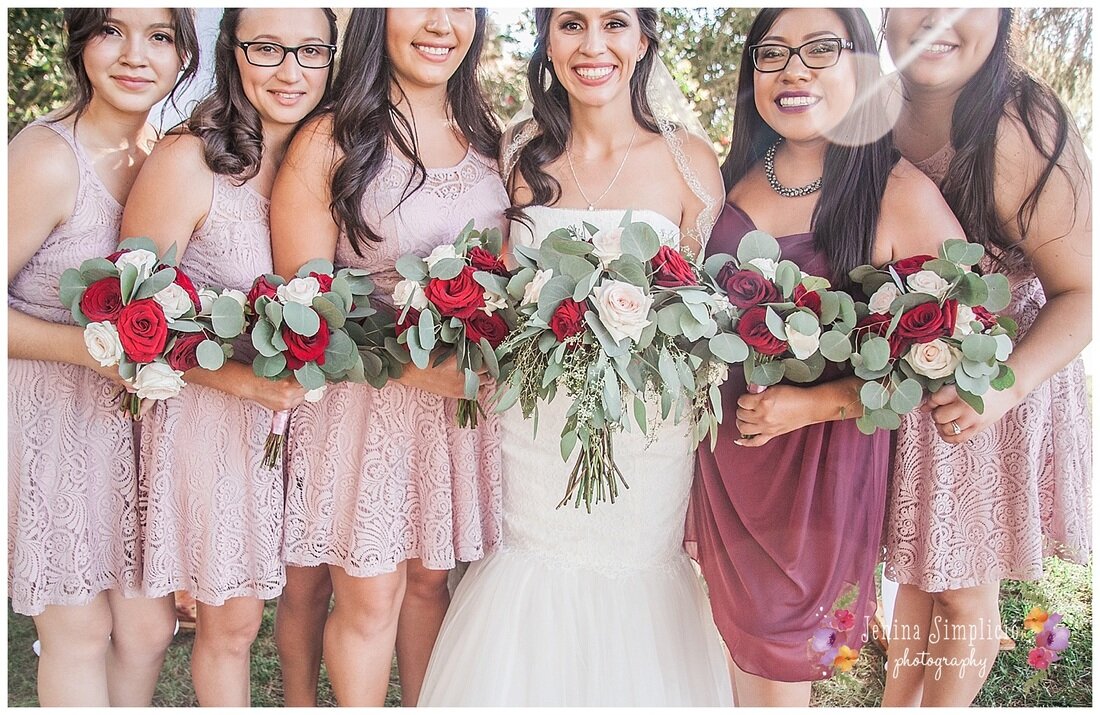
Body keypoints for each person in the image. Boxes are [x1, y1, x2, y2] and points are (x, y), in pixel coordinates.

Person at [418, 8, 732, 706]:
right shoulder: (517, 153)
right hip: (533, 422)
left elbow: (701, 311)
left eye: (615, 23)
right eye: (571, 24)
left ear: (643, 40)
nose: (594, 46)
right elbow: (498, 290)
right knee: (530, 572)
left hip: (647, 428)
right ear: (547, 41)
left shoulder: (690, 161)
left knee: (638, 577)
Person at [689, 8, 964, 707]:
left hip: (815, 480)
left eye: (820, 49)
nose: (793, 70)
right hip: (721, 470)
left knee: (779, 679)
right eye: (772, 54)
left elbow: (951, 346)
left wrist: (815, 401)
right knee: (726, 665)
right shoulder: (728, 182)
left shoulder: (895, 192)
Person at [269, 8, 506, 706]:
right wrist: (414, 365)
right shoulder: (330, 136)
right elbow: (302, 305)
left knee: (434, 582)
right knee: (370, 596)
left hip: (455, 411)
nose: (441, 22)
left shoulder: (492, 139)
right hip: (364, 405)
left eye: (461, 5)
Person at [118, 8, 336, 706]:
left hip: (283, 429)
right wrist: (240, 380)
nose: (291, 70)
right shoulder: (189, 159)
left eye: (311, 51)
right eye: (267, 48)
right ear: (232, 50)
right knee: (232, 622)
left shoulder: (318, 157)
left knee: (271, 606)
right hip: (206, 420)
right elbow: (131, 318)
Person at [879, 8, 1092, 706]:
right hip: (911, 382)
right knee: (917, 584)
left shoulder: (1022, 127)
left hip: (992, 383)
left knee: (965, 601)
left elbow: (1083, 292)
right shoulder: (872, 112)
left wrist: (1002, 389)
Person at [8, 8, 198, 706]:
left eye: (160, 36)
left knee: (148, 630)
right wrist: (94, 351)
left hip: (132, 437)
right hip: (49, 428)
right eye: (111, 30)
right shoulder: (48, 156)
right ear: (81, 42)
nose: (134, 55)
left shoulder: (170, 157)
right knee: (78, 630)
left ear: (185, 55)